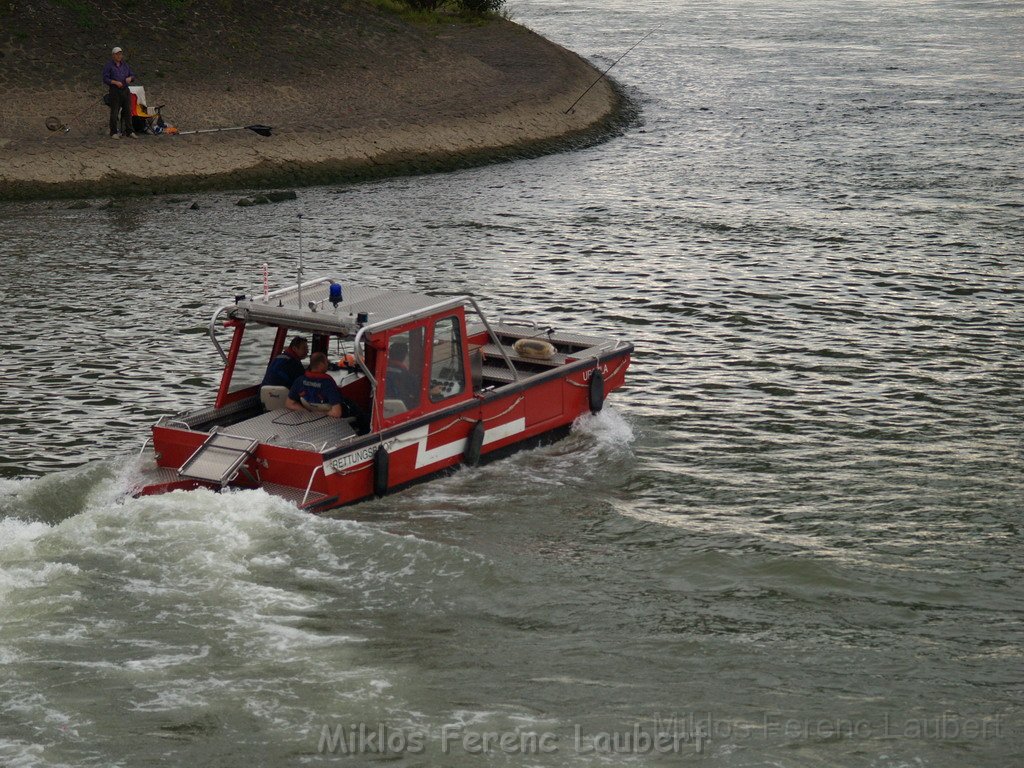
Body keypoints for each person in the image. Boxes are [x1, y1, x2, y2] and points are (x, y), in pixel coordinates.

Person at [287, 352, 358, 420]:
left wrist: (308, 412)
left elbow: (289, 403)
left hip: (309, 415)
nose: (328, 364)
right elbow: (337, 413)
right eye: (326, 362)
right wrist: (321, 414)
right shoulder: (327, 383)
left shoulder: (299, 381)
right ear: (321, 364)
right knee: (358, 411)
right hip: (332, 418)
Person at [102, 46, 135, 139]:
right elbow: (105, 78)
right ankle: (113, 132)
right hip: (115, 91)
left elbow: (132, 75)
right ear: (113, 55)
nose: (119, 56)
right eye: (117, 54)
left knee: (128, 111)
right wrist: (115, 82)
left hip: (125, 90)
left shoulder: (125, 65)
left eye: (120, 54)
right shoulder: (109, 66)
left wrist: (130, 78)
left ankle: (129, 131)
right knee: (115, 112)